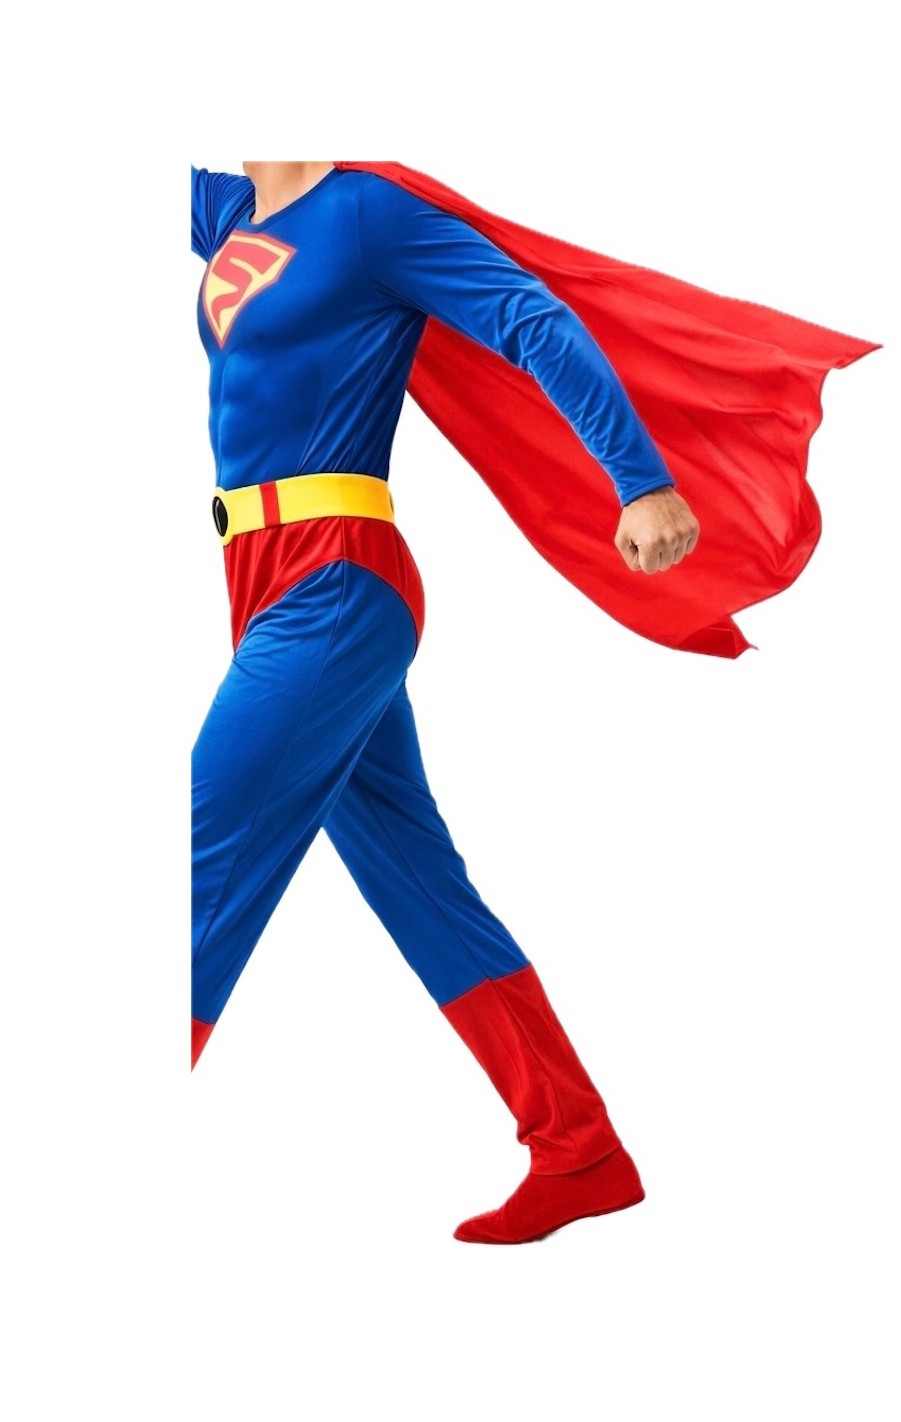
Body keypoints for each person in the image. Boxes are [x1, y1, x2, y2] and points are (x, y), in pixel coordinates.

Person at [191, 160, 702, 1246]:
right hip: (257, 582)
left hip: (334, 586)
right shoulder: (229, 212)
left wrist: (641, 478)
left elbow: (530, 319)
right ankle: (580, 1151)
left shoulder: (365, 212)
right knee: (420, 884)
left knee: (197, 858)